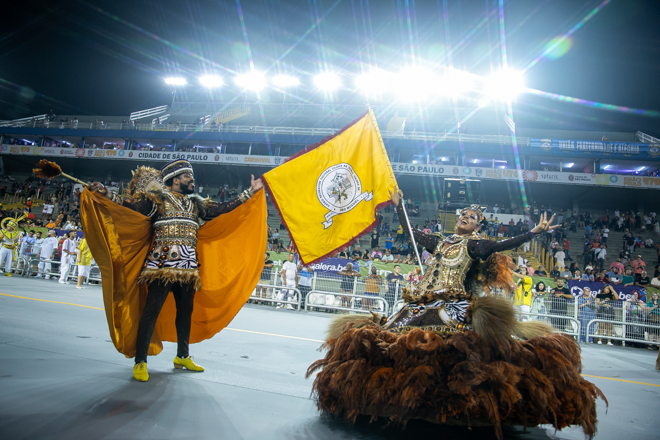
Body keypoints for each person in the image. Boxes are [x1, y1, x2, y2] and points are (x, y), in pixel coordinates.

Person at [307, 192, 604, 437]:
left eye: (472, 217)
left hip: (454, 304)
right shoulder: (440, 241)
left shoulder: (476, 245)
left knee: (446, 345)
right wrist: (399, 207)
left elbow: (503, 245)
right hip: (418, 301)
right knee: (390, 335)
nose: (466, 217)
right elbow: (413, 234)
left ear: (477, 226)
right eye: (464, 214)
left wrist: (533, 233)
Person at [86, 159, 264, 382]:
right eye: (188, 177)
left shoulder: (196, 204)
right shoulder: (157, 201)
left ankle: (182, 355)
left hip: (189, 268)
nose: (192, 180)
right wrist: (105, 193)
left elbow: (222, 209)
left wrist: (250, 192)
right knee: (151, 312)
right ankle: (140, 361)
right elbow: (129, 206)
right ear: (176, 179)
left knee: (185, 314)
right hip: (161, 267)